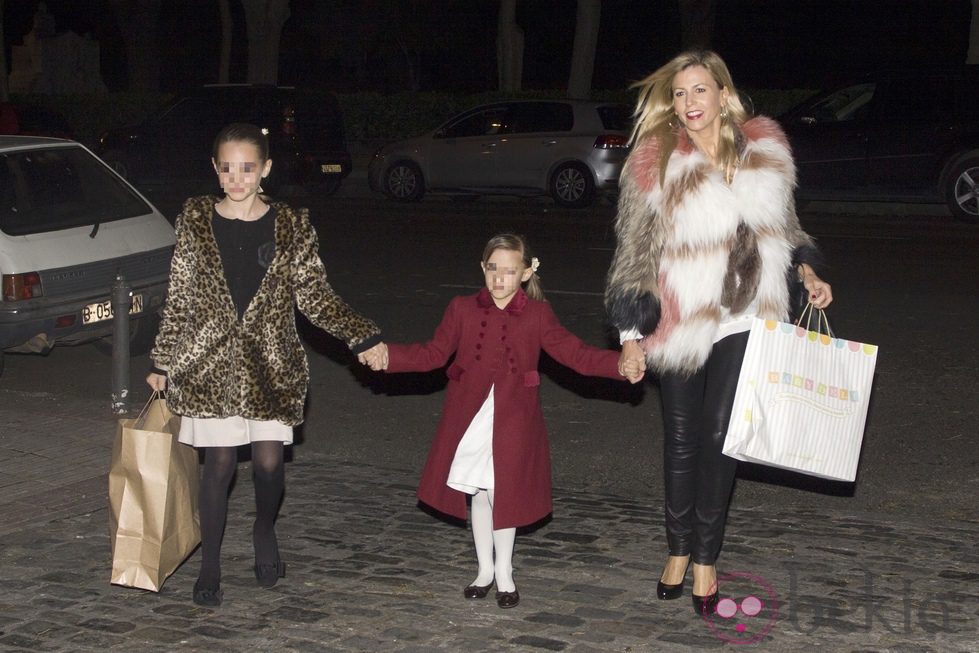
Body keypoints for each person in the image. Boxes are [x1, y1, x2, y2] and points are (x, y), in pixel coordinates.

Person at [604, 51, 833, 615]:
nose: (690, 104)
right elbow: (635, 250)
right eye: (680, 94)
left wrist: (807, 266)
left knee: (719, 435)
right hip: (681, 316)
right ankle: (677, 549)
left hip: (746, 314)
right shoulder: (655, 160)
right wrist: (632, 331)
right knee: (681, 439)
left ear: (723, 94)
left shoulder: (767, 152)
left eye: (700, 91)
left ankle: (705, 557)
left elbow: (787, 225)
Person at [146, 123, 386, 607]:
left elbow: (314, 295)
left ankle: (263, 530)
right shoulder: (194, 221)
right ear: (216, 170)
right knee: (216, 465)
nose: (237, 178)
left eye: (247, 168)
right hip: (208, 364)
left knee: (270, 464)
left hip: (271, 365)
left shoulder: (291, 226)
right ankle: (209, 564)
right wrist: (163, 360)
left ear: (266, 170)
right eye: (227, 168)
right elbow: (180, 297)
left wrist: (361, 334)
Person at [365, 234, 642, 609]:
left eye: (510, 271)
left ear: (526, 273)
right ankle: (484, 570)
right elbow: (433, 353)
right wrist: (389, 357)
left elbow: (574, 355)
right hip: (470, 413)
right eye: (493, 269)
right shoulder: (461, 308)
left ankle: (505, 571)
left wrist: (618, 366)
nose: (499, 279)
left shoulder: (538, 315)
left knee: (502, 492)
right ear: (483, 268)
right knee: (478, 492)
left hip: (513, 416)